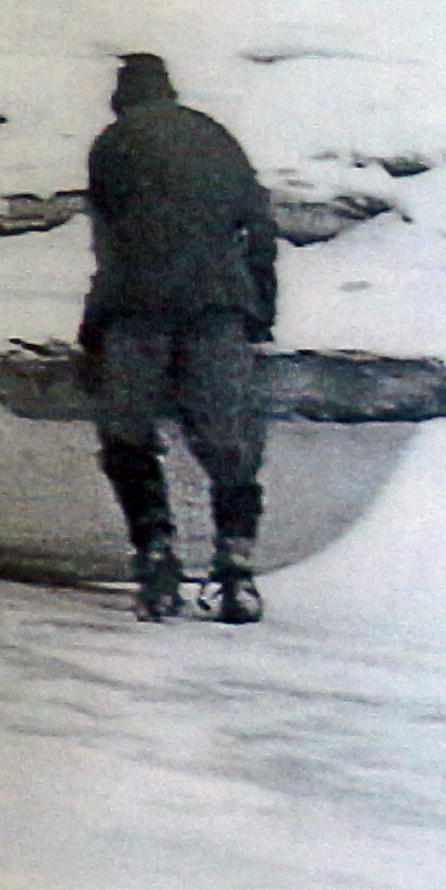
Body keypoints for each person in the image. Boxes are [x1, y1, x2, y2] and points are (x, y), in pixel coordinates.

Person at [79, 52, 280, 624]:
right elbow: (261, 227)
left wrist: (93, 325)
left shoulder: (114, 145)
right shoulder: (217, 139)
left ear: (123, 98)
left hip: (137, 308)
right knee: (229, 441)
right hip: (217, 309)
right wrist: (258, 308)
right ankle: (237, 571)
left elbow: (108, 244)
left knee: (127, 434)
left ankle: (157, 556)